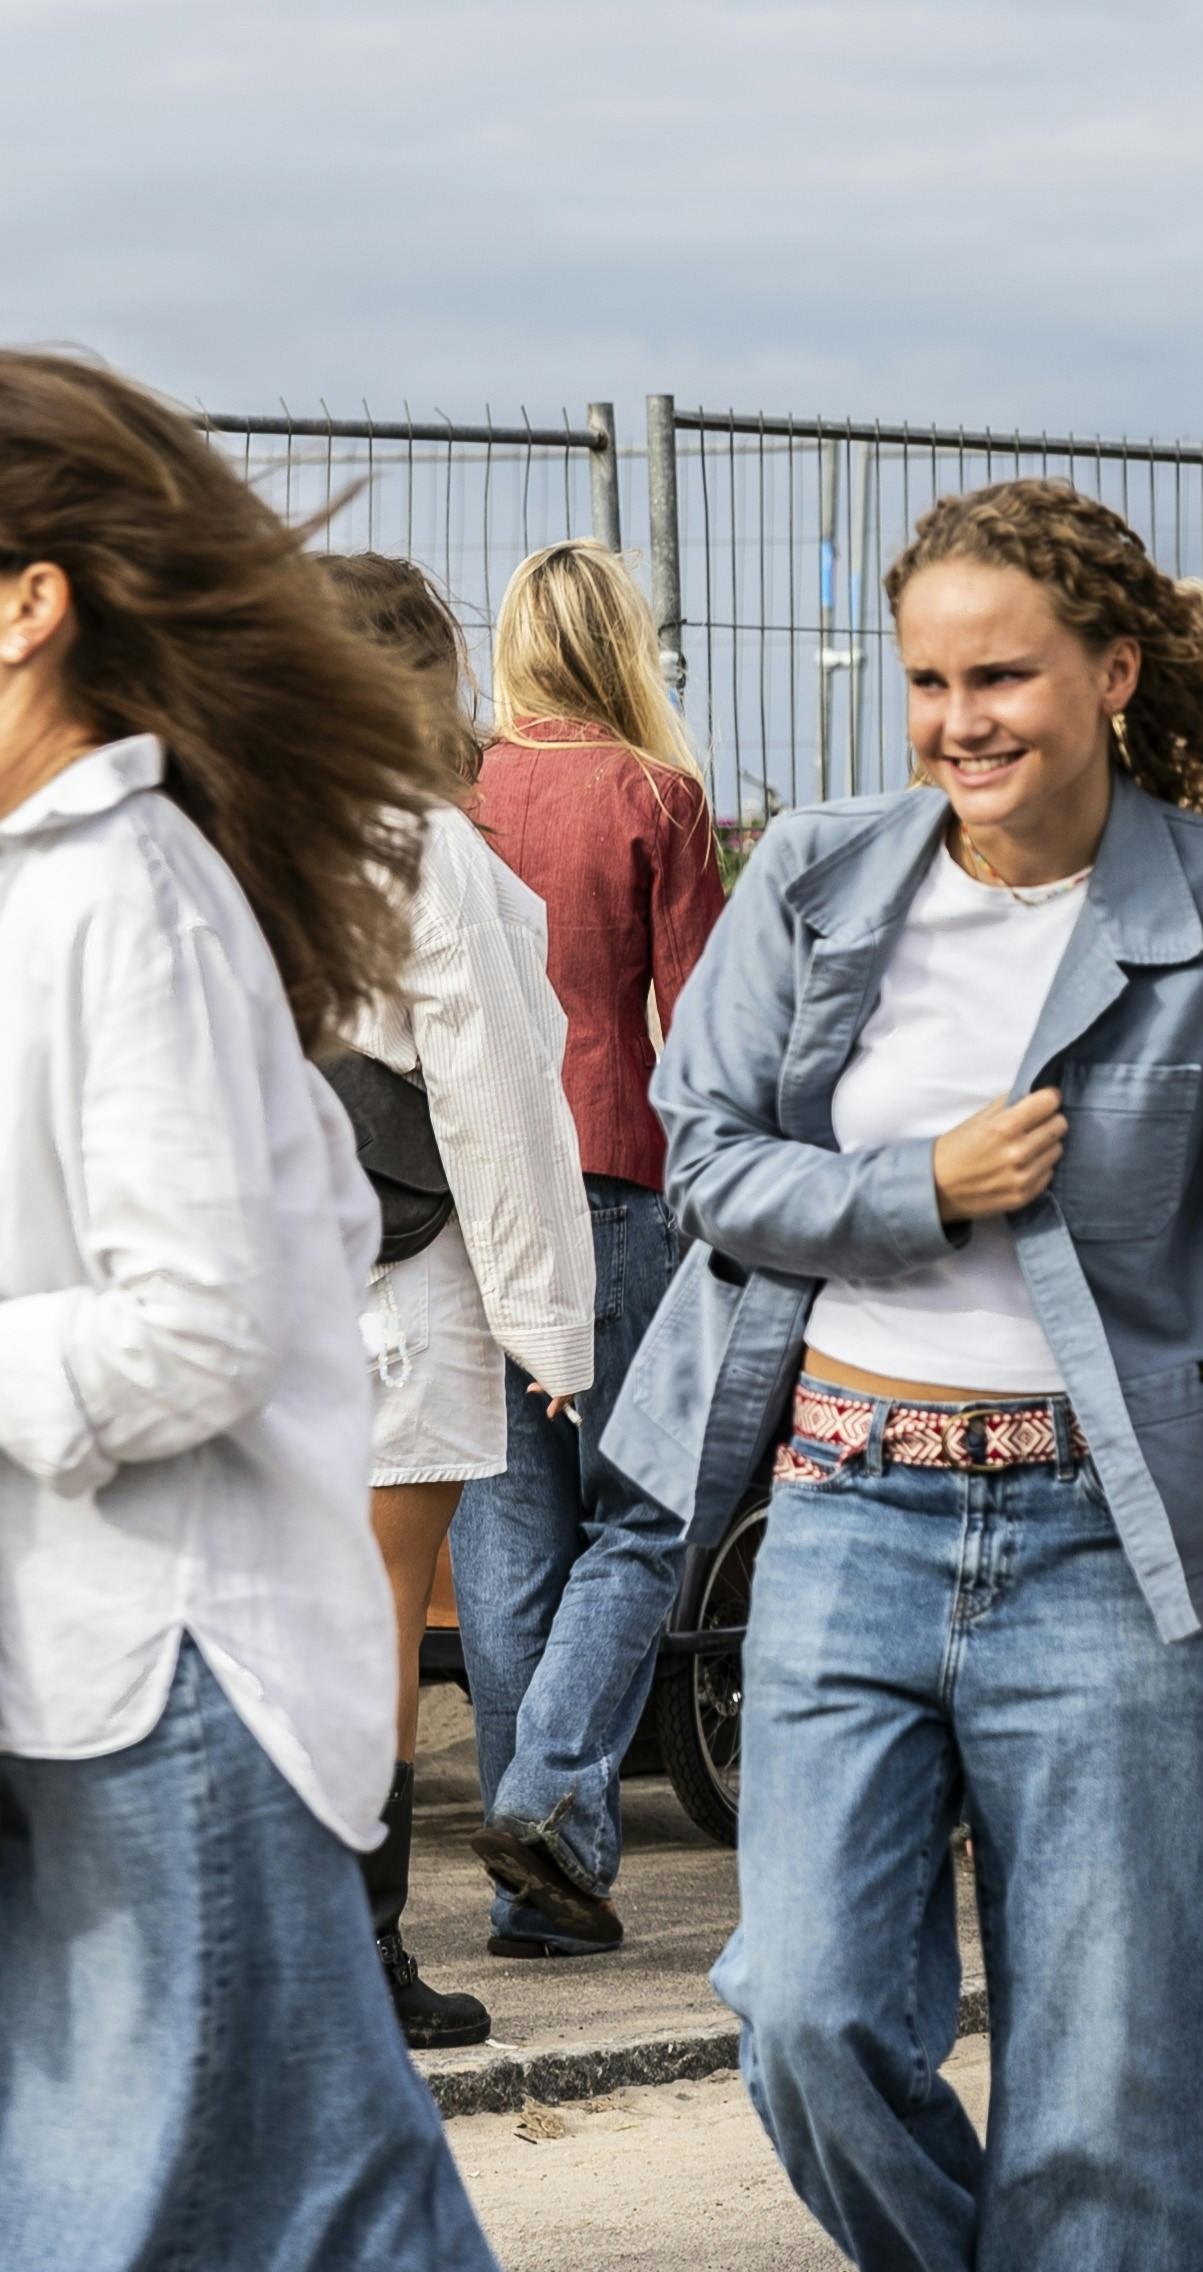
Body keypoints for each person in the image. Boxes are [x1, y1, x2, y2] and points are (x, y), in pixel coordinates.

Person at [598, 476, 1203, 2267]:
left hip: (1106, 1540)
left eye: (1002, 679)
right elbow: (700, 1149)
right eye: (930, 684)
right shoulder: (816, 879)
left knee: (1112, 2097)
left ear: (1110, 674)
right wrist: (913, 1188)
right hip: (847, 1513)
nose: (960, 724)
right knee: (807, 2016)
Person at [0, 349, 497, 2268]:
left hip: (165, 1679)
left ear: (34, 602)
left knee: (154, 2222)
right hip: (86, 1676)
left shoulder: (127, 896)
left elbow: (195, 1328)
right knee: (322, 2212)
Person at [319, 553, 596, 2049]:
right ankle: (360, 1967)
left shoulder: (239, 837)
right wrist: (552, 1331)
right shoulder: (428, 852)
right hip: (403, 1287)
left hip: (271, 1283)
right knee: (370, 1633)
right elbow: (497, 1109)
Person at [452, 537, 726, 1958]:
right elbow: (707, 1027)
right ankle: (554, 1809)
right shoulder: (657, 796)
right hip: (616, 1179)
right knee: (641, 1514)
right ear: (623, 645)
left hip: (474, 1196)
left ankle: (533, 1899)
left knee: (508, 1532)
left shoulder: (466, 793)